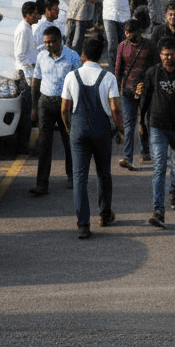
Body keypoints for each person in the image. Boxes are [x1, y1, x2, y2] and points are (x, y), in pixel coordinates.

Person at [60, 38, 123, 240]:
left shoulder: (72, 76)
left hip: (79, 131)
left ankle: (83, 225)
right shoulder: (109, 77)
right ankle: (105, 215)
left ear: (84, 55)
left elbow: (64, 109)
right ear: (100, 55)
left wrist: (70, 128)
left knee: (80, 178)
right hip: (101, 131)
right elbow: (115, 108)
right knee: (104, 173)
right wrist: (120, 129)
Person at [139, 37, 175, 227]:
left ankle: (174, 192)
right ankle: (158, 211)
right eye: (165, 54)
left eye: (171, 54)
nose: (168, 57)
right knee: (159, 167)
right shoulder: (152, 73)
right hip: (157, 126)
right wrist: (140, 121)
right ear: (160, 54)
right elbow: (145, 98)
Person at [30, 26, 81, 196]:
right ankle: (41, 184)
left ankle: (72, 177)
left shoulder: (72, 57)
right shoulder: (41, 56)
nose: (48, 45)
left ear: (60, 40)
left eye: (52, 42)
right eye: (46, 42)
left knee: (69, 141)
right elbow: (36, 81)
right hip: (45, 102)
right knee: (44, 144)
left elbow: (79, 84)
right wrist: (34, 107)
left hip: (66, 103)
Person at [114, 19, 158, 170]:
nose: (128, 35)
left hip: (147, 91)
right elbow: (118, 70)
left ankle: (148, 151)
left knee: (147, 123)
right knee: (129, 124)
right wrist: (116, 92)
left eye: (131, 32)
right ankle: (127, 156)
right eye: (126, 32)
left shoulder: (150, 46)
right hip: (127, 91)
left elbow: (156, 68)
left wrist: (149, 84)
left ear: (138, 32)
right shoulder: (122, 46)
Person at [12, 0, 41, 155]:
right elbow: (20, 55)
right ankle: (23, 146)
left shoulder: (28, 28)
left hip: (30, 74)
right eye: (36, 14)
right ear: (28, 15)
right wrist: (29, 71)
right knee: (27, 113)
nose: (39, 17)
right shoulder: (23, 30)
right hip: (25, 76)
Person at [98, 0, 137, 69]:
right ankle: (112, 70)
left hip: (124, 16)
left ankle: (123, 68)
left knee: (124, 43)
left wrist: (131, 14)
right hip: (109, 15)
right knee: (112, 44)